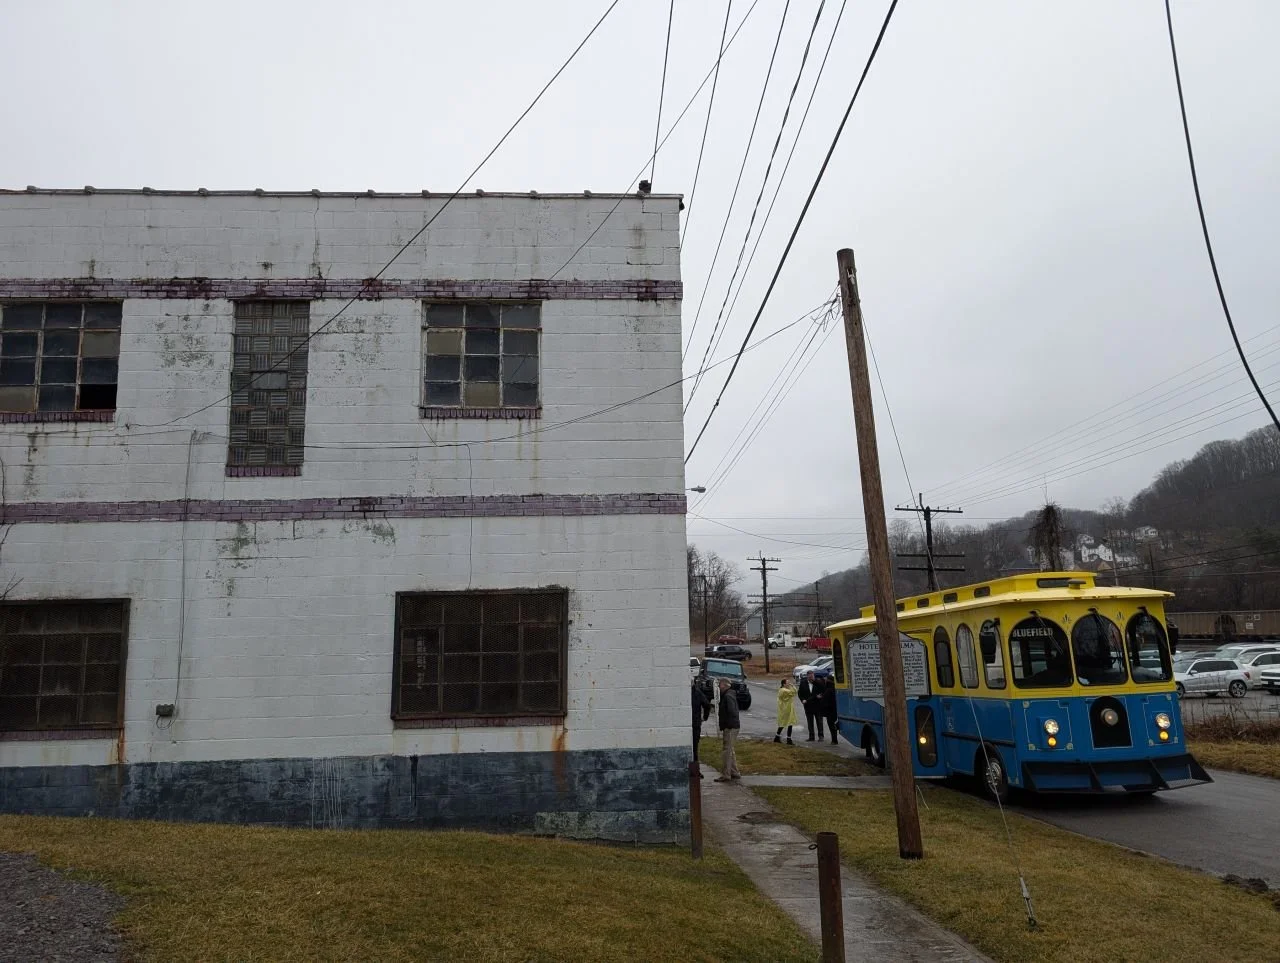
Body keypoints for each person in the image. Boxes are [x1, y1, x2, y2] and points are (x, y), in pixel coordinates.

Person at [714, 679, 741, 782]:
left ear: (724, 685)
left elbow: (732, 711)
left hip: (730, 727)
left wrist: (728, 724)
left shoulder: (727, 696)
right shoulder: (730, 694)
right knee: (730, 749)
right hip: (732, 725)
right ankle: (734, 771)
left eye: (720, 685)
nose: (719, 687)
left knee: (727, 751)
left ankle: (726, 774)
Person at [691, 676, 710, 777]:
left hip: (690, 723)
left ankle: (692, 770)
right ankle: (695, 770)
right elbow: (707, 704)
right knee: (695, 747)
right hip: (696, 723)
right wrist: (704, 717)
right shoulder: (697, 692)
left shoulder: (684, 693)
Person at [774, 678, 797, 744]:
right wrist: (792, 686)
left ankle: (777, 737)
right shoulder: (784, 690)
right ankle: (789, 739)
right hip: (787, 709)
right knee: (789, 723)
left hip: (785, 709)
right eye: (788, 683)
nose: (789, 684)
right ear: (784, 684)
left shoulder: (782, 690)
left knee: (783, 723)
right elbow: (794, 692)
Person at [819, 674, 839, 744]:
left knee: (831, 726)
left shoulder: (829, 690)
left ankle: (834, 740)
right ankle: (834, 739)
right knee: (833, 725)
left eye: (826, 679)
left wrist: (821, 698)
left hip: (830, 711)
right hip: (834, 710)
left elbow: (825, 701)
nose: (825, 680)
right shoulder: (834, 688)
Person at [808, 674, 827, 741]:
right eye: (809, 677)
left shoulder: (819, 682)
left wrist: (820, 696)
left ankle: (821, 736)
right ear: (807, 677)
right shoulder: (803, 683)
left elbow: (824, 691)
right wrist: (802, 700)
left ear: (814, 676)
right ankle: (811, 737)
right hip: (808, 706)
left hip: (818, 705)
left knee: (819, 722)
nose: (811, 678)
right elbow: (800, 693)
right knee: (810, 722)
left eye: (812, 677)